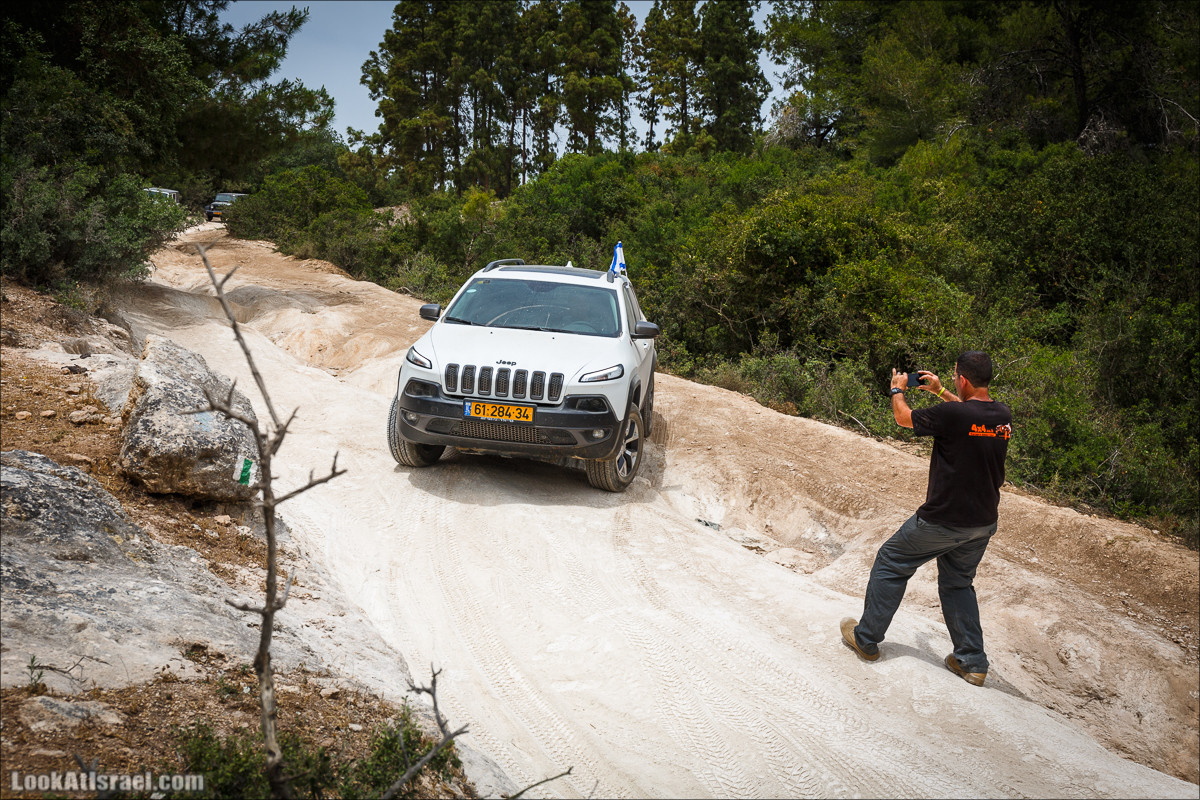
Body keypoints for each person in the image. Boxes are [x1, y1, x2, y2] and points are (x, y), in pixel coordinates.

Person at [840, 351, 1012, 686]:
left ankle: (866, 639)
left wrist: (897, 390)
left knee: (891, 561)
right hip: (982, 523)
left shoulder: (954, 415)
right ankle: (972, 663)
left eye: (955, 378)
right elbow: (969, 416)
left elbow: (904, 418)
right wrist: (939, 391)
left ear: (962, 378)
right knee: (958, 583)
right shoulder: (1001, 415)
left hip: (943, 519)